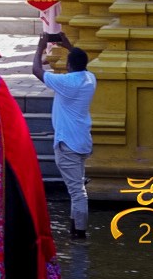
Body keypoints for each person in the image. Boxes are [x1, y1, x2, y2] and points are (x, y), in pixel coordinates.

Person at [32, 36, 96, 240]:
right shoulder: (89, 79)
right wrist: (68, 45)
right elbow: (79, 61)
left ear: (68, 65)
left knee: (77, 192)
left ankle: (79, 233)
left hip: (68, 144)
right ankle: (75, 228)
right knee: (77, 188)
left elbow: (36, 71)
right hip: (82, 142)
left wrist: (40, 47)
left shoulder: (66, 82)